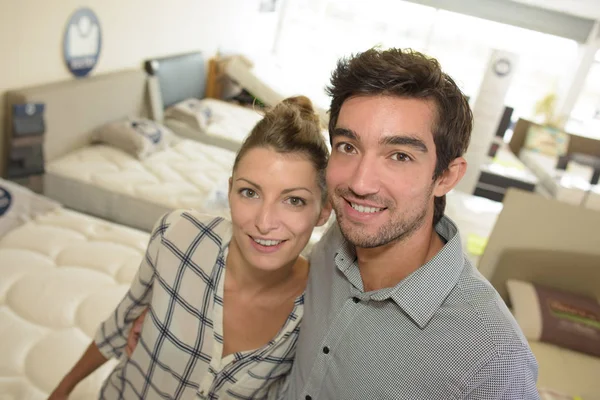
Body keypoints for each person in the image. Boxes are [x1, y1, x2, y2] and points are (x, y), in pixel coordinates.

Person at [283, 48, 539, 399]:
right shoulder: (339, 237)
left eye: (399, 156)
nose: (360, 183)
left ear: (446, 176)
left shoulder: (494, 360)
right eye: (348, 146)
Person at [47, 95, 331, 400]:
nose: (264, 221)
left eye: (294, 200)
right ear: (230, 189)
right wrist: (63, 389)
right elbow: (121, 323)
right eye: (249, 192)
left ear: (324, 211)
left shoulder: (318, 306)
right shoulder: (177, 237)